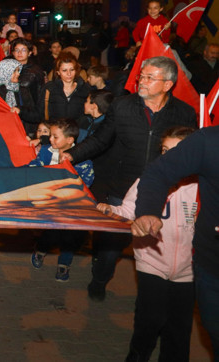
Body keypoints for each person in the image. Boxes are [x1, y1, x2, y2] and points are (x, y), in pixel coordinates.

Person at [61, 56, 197, 301]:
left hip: (162, 192)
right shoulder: (122, 106)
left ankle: (157, 294)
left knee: (161, 243)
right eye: (141, 77)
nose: (141, 82)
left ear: (167, 85)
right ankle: (99, 280)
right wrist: (71, 155)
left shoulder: (184, 113)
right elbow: (101, 139)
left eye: (149, 78)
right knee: (111, 246)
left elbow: (190, 153)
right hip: (121, 188)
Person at [99, 127, 198, 362]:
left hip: (190, 269)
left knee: (179, 328)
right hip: (151, 260)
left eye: (177, 151)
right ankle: (137, 355)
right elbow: (127, 210)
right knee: (150, 318)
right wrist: (109, 211)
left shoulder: (203, 187)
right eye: (165, 150)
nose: (168, 157)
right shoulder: (148, 181)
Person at [132, 125, 219, 356]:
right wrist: (148, 211)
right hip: (211, 268)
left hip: (186, 269)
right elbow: (157, 174)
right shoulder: (210, 141)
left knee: (178, 331)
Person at [30, 118, 93, 282]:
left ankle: (64, 263)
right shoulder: (45, 151)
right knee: (51, 232)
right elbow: (35, 167)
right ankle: (41, 249)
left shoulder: (82, 159)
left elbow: (87, 180)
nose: (50, 139)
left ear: (70, 140)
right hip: (49, 203)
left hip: (72, 205)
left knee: (71, 236)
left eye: (55, 137)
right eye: (50, 135)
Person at [30, 52, 90, 125]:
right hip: (55, 131)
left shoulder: (85, 88)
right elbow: (39, 113)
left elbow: (89, 115)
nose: (69, 74)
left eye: (72, 70)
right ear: (58, 72)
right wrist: (21, 111)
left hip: (77, 132)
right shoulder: (50, 88)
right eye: (64, 70)